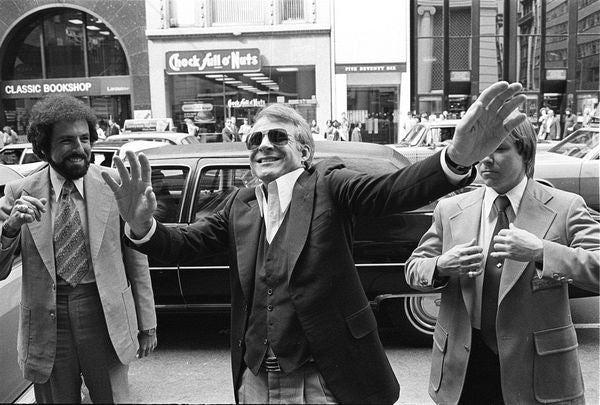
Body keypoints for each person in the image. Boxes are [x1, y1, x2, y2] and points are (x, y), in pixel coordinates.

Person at [104, 81, 526, 404]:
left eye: (277, 137)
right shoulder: (242, 202)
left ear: (304, 151)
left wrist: (454, 158)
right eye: (255, 140)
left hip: (322, 375)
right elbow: (187, 243)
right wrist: (143, 226)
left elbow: (394, 190)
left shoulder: (329, 184)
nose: (264, 145)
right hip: (255, 377)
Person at [405, 120, 599, 404]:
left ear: (526, 154)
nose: (486, 158)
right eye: (480, 149)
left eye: (499, 149)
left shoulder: (565, 206)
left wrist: (543, 251)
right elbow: (413, 268)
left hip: (538, 370)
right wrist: (441, 266)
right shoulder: (450, 209)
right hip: (464, 368)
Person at [0, 94, 157, 403]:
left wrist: (148, 323)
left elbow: (136, 258)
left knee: (113, 398)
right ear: (44, 146)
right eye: (67, 140)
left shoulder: (114, 185)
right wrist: (10, 228)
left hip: (104, 312)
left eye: (85, 138)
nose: (80, 148)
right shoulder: (20, 193)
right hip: (47, 321)